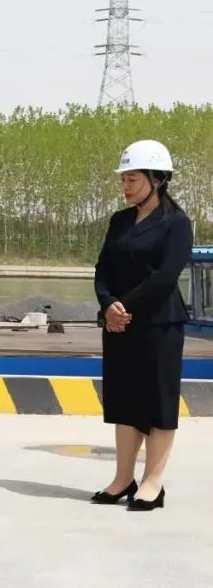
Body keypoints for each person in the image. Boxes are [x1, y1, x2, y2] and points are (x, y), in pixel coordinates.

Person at [92, 139, 191, 511]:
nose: (126, 186)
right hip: (119, 324)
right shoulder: (119, 221)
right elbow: (103, 269)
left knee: (158, 402)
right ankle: (122, 478)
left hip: (158, 324)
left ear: (158, 179)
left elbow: (165, 277)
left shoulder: (177, 224)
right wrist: (108, 305)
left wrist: (123, 308)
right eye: (123, 179)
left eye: (132, 179)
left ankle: (152, 482)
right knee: (124, 399)